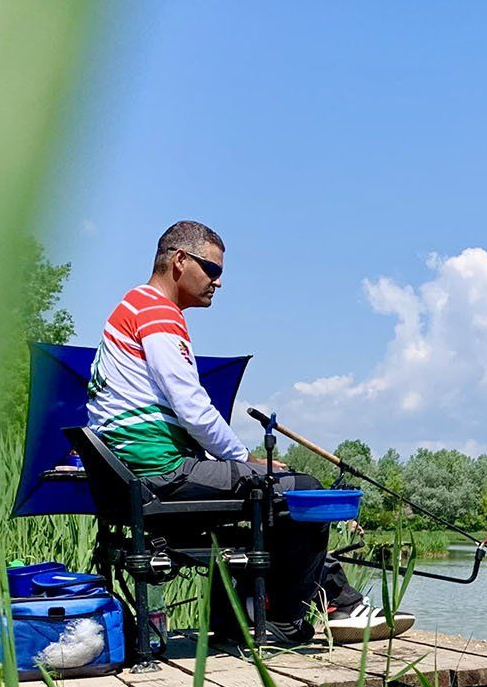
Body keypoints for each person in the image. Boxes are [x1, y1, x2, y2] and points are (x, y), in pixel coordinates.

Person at [85, 220, 409, 645]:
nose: (218, 282)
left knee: (277, 495)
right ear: (180, 261)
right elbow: (193, 409)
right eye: (212, 270)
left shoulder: (134, 307)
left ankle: (276, 608)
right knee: (301, 492)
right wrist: (243, 459)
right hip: (162, 473)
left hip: (140, 476)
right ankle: (298, 618)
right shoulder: (157, 313)